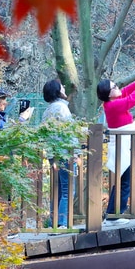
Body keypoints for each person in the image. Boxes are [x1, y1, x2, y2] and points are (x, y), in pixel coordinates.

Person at [98, 67, 135, 214]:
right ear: (109, 94)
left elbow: (127, 90)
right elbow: (131, 99)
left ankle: (112, 212)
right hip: (122, 147)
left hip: (125, 145)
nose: (117, 87)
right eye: (113, 87)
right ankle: (117, 213)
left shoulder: (112, 102)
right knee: (125, 182)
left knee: (123, 182)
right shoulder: (112, 105)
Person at [41, 78, 75, 227]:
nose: (64, 88)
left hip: (53, 153)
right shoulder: (62, 108)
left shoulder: (48, 110)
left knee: (59, 190)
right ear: (58, 90)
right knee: (67, 190)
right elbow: (70, 131)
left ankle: (54, 222)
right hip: (64, 152)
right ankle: (62, 222)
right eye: (62, 86)